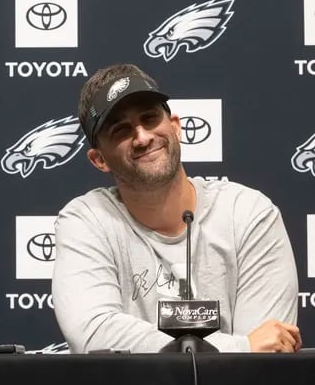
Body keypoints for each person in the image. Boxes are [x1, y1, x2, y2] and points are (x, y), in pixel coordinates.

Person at [52, 63, 300, 353]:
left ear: (176, 126)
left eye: (150, 118)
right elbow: (94, 333)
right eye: (121, 130)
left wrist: (234, 352)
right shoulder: (86, 220)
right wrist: (240, 347)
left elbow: (268, 358)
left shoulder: (249, 214)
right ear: (99, 160)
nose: (143, 137)